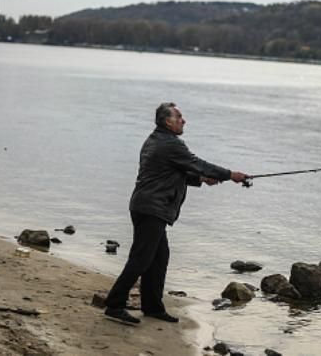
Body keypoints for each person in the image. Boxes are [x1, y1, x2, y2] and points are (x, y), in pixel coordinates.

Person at [104, 102, 248, 325]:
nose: (184, 120)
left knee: (159, 258)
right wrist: (230, 174)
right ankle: (114, 305)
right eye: (179, 116)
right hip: (152, 208)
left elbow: (174, 172)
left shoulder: (156, 140)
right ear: (167, 121)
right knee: (141, 259)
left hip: (148, 207)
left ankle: (152, 307)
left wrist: (200, 179)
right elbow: (196, 163)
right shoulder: (170, 144)